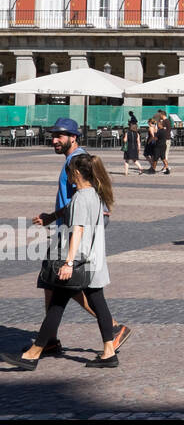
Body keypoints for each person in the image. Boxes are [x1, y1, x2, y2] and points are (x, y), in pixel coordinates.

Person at [3, 154, 122, 370]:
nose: (67, 175)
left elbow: (77, 230)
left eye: (69, 172)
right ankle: (109, 352)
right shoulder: (94, 194)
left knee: (56, 305)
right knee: (99, 305)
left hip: (78, 263)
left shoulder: (80, 198)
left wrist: (68, 262)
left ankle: (33, 354)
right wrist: (50, 217)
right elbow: (70, 214)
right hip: (93, 262)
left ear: (76, 173)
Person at [28, 120, 128, 359]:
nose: (54, 140)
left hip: (71, 236)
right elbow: (76, 203)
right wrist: (52, 217)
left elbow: (83, 203)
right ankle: (50, 341)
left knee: (65, 283)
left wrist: (72, 252)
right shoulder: (74, 160)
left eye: (60, 136)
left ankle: (113, 329)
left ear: (73, 137)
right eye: (53, 135)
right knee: (55, 284)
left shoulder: (77, 163)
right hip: (68, 231)